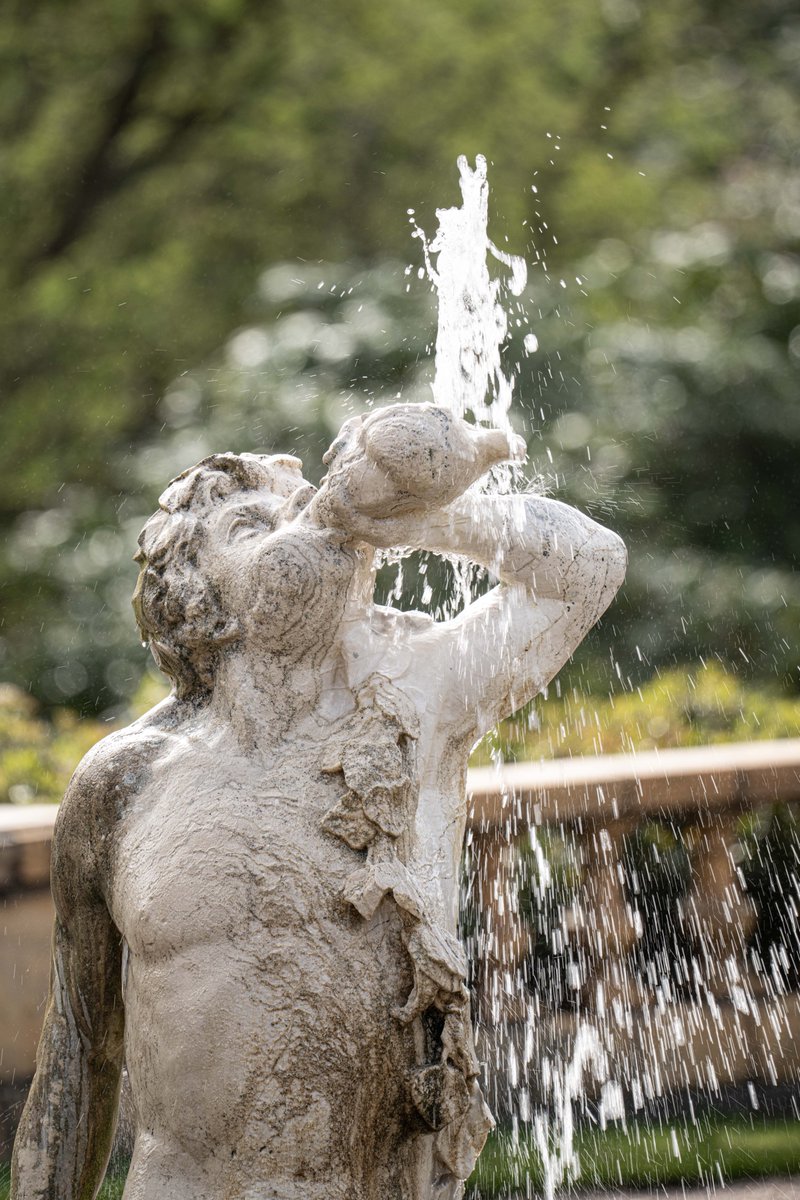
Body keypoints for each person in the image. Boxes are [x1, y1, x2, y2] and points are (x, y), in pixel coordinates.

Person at [11, 404, 626, 1200]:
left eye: (301, 507)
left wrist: (427, 518)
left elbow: (589, 563)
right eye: (248, 525)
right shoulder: (124, 782)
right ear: (198, 596)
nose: (308, 522)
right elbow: (79, 1057)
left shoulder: (417, 701)